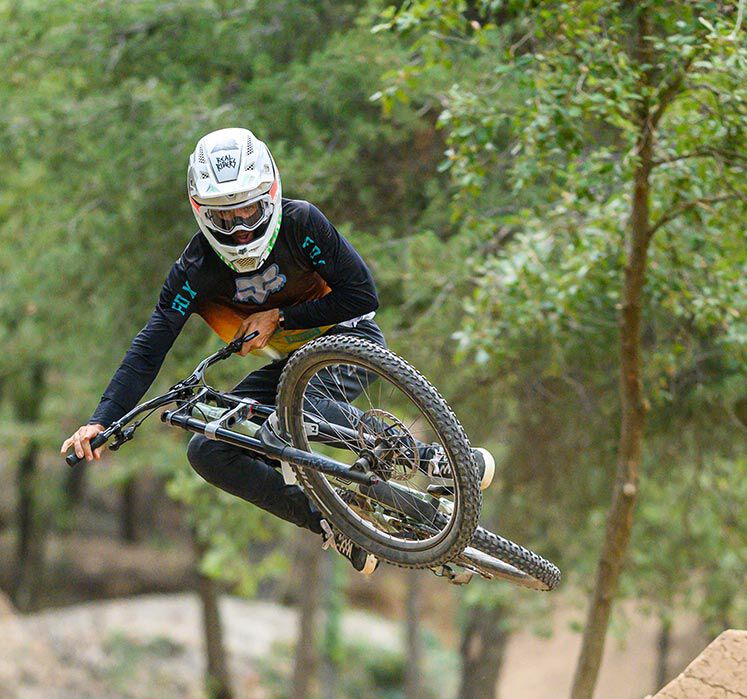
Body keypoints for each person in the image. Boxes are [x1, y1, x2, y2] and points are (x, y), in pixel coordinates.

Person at [61, 127, 493, 574]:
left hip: (348, 340)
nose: (241, 230)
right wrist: (102, 419)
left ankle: (433, 460)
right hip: (290, 369)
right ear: (201, 213)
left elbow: (363, 295)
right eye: (224, 217)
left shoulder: (301, 224)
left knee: (296, 402)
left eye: (248, 209)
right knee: (208, 450)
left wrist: (280, 319)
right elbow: (150, 345)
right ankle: (331, 522)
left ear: (269, 193)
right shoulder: (195, 269)